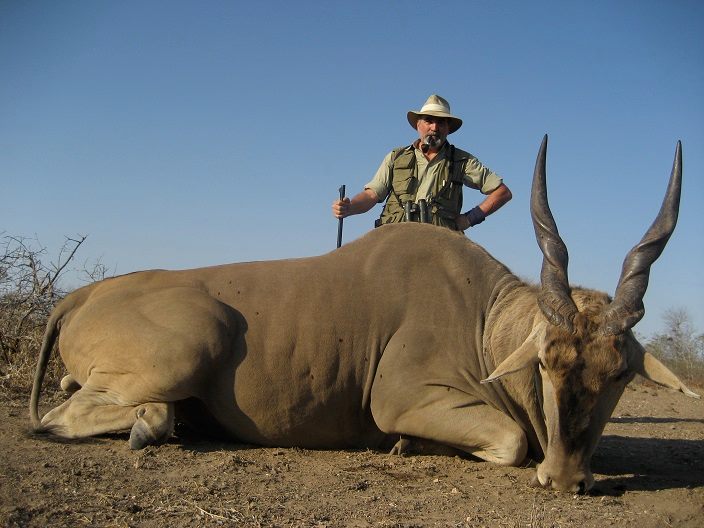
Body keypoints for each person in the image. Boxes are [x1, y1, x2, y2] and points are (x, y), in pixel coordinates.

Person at [332, 94, 511, 232]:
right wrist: (349, 207)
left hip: (440, 242)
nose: (434, 127)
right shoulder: (396, 157)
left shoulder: (462, 161)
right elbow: (372, 195)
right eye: (429, 121)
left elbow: (502, 192)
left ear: (448, 128)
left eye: (441, 122)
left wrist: (469, 219)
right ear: (418, 125)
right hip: (394, 238)